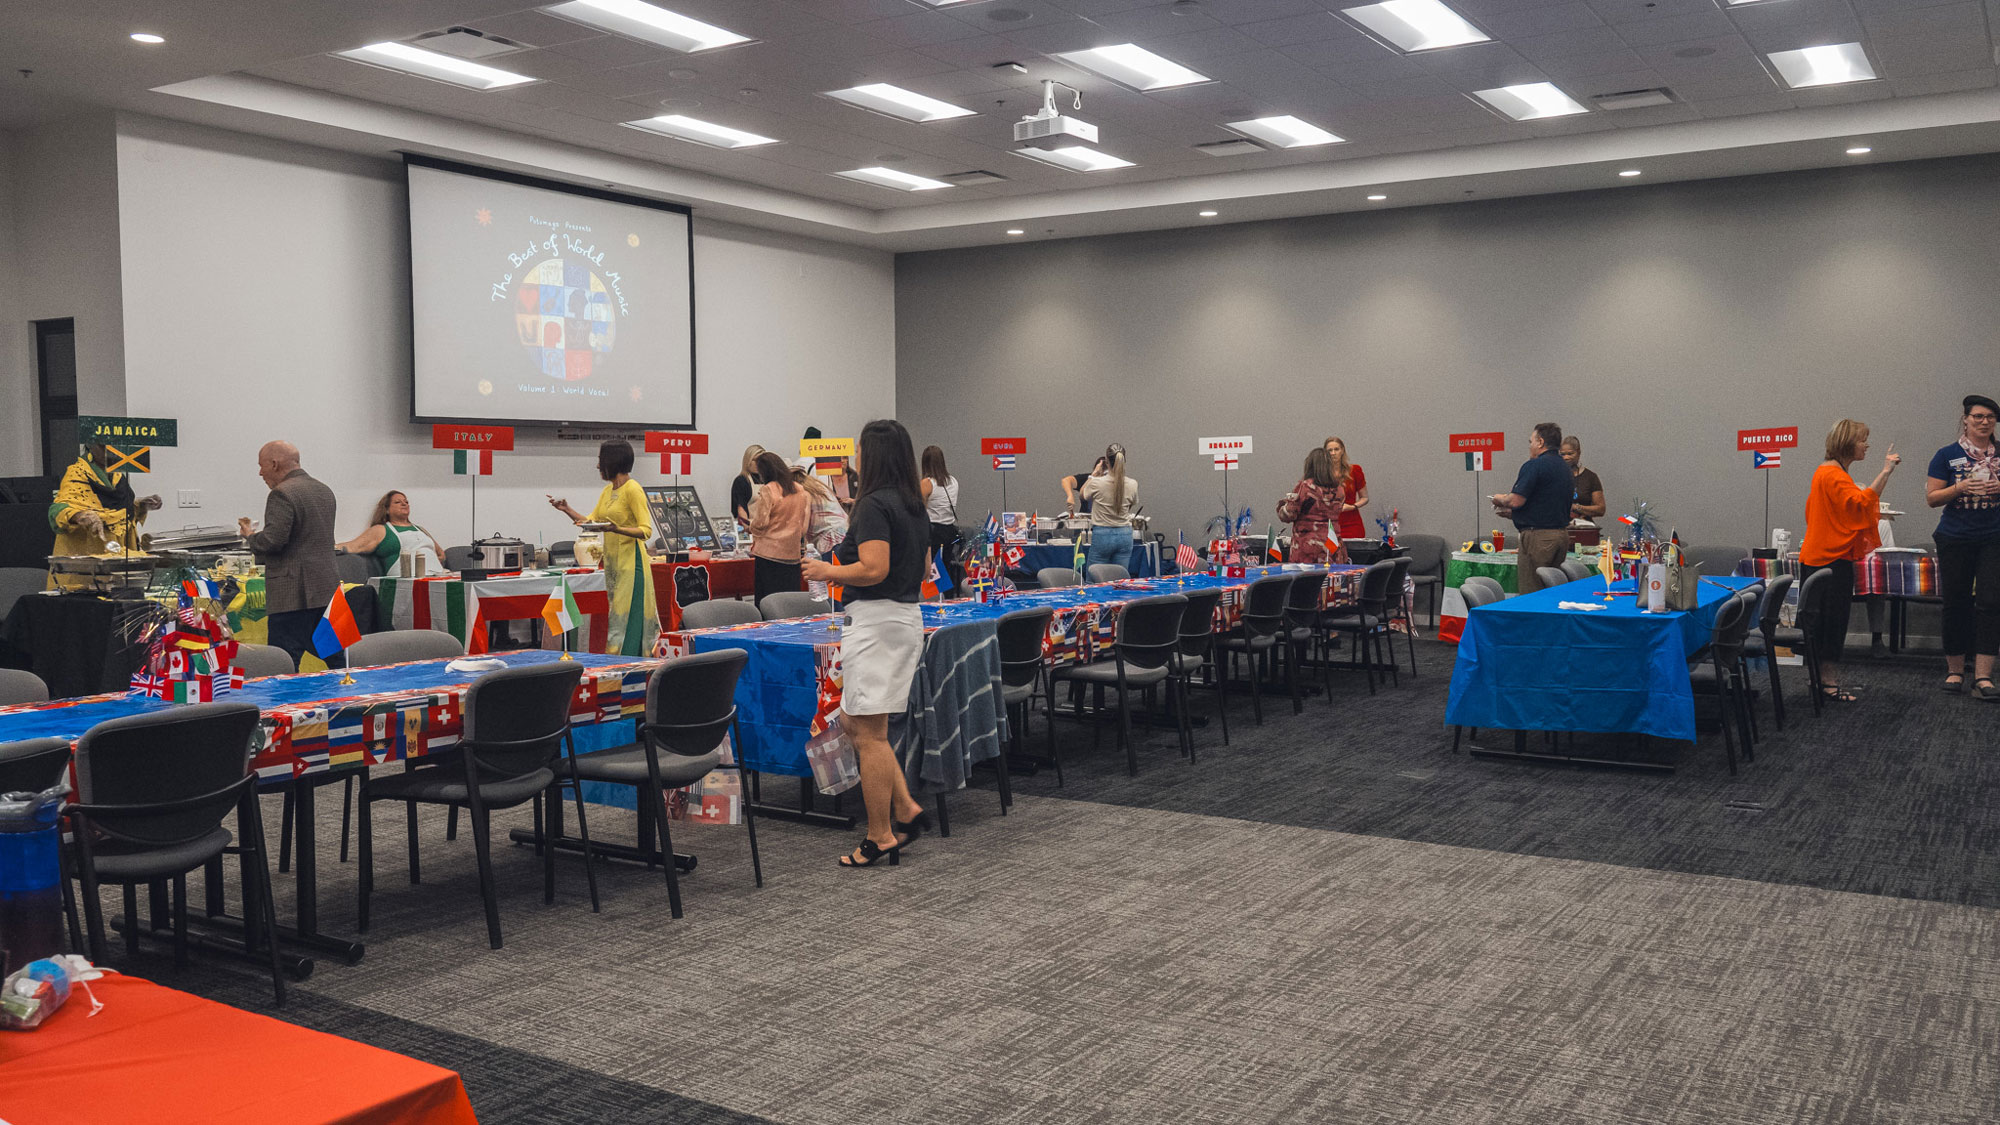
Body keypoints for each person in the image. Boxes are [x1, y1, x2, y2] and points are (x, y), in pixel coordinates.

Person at [799, 419, 931, 868]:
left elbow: (874, 568)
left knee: (869, 734)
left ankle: (880, 835)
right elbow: (923, 567)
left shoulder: (874, 504)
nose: (854, 455)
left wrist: (827, 571)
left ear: (872, 455)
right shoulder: (914, 505)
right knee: (855, 723)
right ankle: (906, 808)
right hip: (900, 618)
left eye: (859, 449)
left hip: (877, 623)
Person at [1800, 419, 1900, 703]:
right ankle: (1828, 683)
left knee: (1822, 622)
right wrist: (1886, 471)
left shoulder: (1828, 471)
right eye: (1862, 440)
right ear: (1846, 443)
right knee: (1832, 623)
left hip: (1821, 557)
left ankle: (1819, 681)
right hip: (1830, 560)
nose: (1866, 445)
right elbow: (1860, 505)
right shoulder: (1833, 474)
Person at [547, 440, 657, 657]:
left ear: (612, 461)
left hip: (632, 565)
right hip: (613, 565)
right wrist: (566, 509)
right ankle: (619, 662)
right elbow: (591, 522)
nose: (598, 466)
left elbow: (646, 531)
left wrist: (617, 529)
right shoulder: (608, 491)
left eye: (600, 460)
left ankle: (626, 663)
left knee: (625, 618)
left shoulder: (633, 489)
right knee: (616, 616)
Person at [1925, 395, 2000, 699]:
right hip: (1954, 537)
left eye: (1990, 417)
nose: (1984, 422)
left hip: (1993, 537)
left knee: (1990, 603)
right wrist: (1960, 487)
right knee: (1956, 602)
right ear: (1965, 419)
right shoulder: (1946, 455)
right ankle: (1955, 671)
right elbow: (1932, 498)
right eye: (1978, 416)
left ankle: (1983, 677)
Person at [238, 441, 338, 667]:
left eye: (261, 466)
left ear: (274, 464)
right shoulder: (324, 490)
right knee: (337, 659)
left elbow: (273, 541)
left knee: (284, 662)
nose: (260, 473)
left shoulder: (281, 493)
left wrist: (250, 537)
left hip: (292, 594)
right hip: (325, 590)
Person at [1490, 423, 1571, 594]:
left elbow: (1515, 501)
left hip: (1538, 539)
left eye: (1531, 442)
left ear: (1540, 442)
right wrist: (1517, 514)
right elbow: (1546, 503)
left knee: (1532, 591)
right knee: (1553, 591)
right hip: (1561, 536)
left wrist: (1499, 499)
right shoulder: (1565, 468)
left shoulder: (1535, 465)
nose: (1530, 446)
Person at [48, 444, 162, 563]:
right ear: (90, 444)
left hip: (118, 556)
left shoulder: (117, 475)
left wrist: (140, 506)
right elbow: (56, 511)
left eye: (113, 446)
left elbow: (118, 511)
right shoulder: (77, 473)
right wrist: (79, 515)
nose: (109, 451)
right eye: (103, 446)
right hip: (84, 559)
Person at [744, 450, 809, 606]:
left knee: (768, 602)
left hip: (769, 554)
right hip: (792, 553)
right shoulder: (799, 489)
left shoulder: (768, 489)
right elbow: (802, 522)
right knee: (790, 603)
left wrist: (750, 526)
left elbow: (761, 523)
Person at [337, 491, 443, 576]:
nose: (404, 504)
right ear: (387, 509)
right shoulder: (380, 530)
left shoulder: (420, 529)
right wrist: (330, 548)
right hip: (407, 582)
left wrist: (431, 564)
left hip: (438, 577)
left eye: (406, 502)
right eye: (397, 502)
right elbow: (353, 546)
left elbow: (441, 554)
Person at [1278, 447, 1344, 564]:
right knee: (1332, 575)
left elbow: (1288, 515)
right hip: (1332, 545)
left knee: (1308, 576)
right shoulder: (1339, 489)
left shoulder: (1305, 487)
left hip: (1307, 547)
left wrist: (1282, 505)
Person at [1080, 444, 1138, 574]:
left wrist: (1093, 475)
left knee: (1094, 578)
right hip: (1125, 534)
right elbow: (1130, 505)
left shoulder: (1096, 483)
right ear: (1124, 460)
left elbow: (1082, 495)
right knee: (1120, 578)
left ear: (1106, 461)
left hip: (1102, 534)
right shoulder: (1133, 484)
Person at [919, 445, 961, 586]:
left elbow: (919, 510)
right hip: (949, 530)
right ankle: (947, 595)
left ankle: (934, 595)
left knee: (932, 569)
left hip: (933, 532)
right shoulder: (953, 481)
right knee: (946, 568)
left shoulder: (927, 483)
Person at [794, 468, 849, 558]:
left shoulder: (803, 493)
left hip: (831, 540)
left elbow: (803, 527)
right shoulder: (817, 487)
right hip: (845, 533)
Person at [1322, 437, 1368, 541]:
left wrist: (1352, 506)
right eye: (1330, 450)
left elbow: (1365, 498)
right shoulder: (1321, 474)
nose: (1333, 453)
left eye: (1336, 449)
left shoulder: (1354, 470)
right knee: (1330, 551)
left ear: (1342, 450)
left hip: (1352, 523)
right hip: (1328, 524)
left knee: (1353, 550)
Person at [1561, 437, 1606, 522]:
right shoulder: (1554, 476)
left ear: (1578, 453)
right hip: (1558, 527)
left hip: (1583, 526)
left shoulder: (1590, 477)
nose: (1566, 457)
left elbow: (1601, 509)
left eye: (1570, 454)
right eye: (1562, 454)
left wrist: (1576, 507)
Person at [731, 444, 765, 529]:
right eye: (755, 460)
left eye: (761, 460)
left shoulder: (768, 481)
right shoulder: (741, 481)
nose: (758, 463)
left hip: (766, 529)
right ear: (748, 461)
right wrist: (747, 528)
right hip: (749, 527)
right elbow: (740, 509)